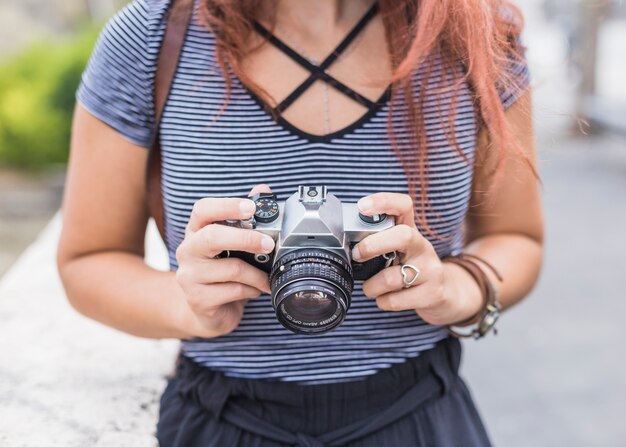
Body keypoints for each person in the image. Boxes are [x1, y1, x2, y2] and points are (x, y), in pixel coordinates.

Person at [57, 0, 543, 445]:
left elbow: (516, 237)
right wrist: (188, 306)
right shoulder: (153, 36)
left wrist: (454, 290)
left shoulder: (476, 33)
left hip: (418, 412)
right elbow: (88, 260)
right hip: (224, 418)